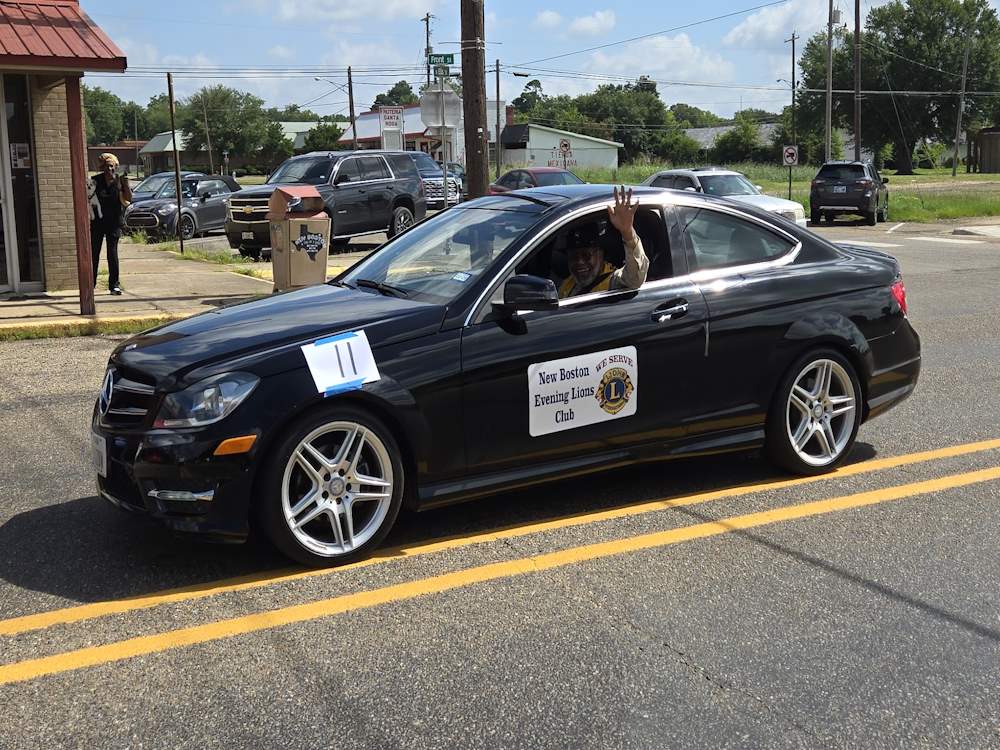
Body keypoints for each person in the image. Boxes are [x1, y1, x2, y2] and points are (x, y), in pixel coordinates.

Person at [559, 185, 648, 298]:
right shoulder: (567, 284)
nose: (580, 262)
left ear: (600, 253)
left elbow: (635, 278)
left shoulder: (613, 281)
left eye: (586, 255)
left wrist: (627, 232)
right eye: (573, 257)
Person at [90, 153, 131, 295]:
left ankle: (114, 285)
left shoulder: (119, 181)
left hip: (114, 222)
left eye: (112, 167)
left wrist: (125, 184)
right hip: (97, 223)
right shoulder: (95, 181)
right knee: (94, 253)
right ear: (103, 168)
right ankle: (91, 284)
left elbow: (128, 199)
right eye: (107, 167)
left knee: (112, 254)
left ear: (116, 168)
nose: (110, 170)